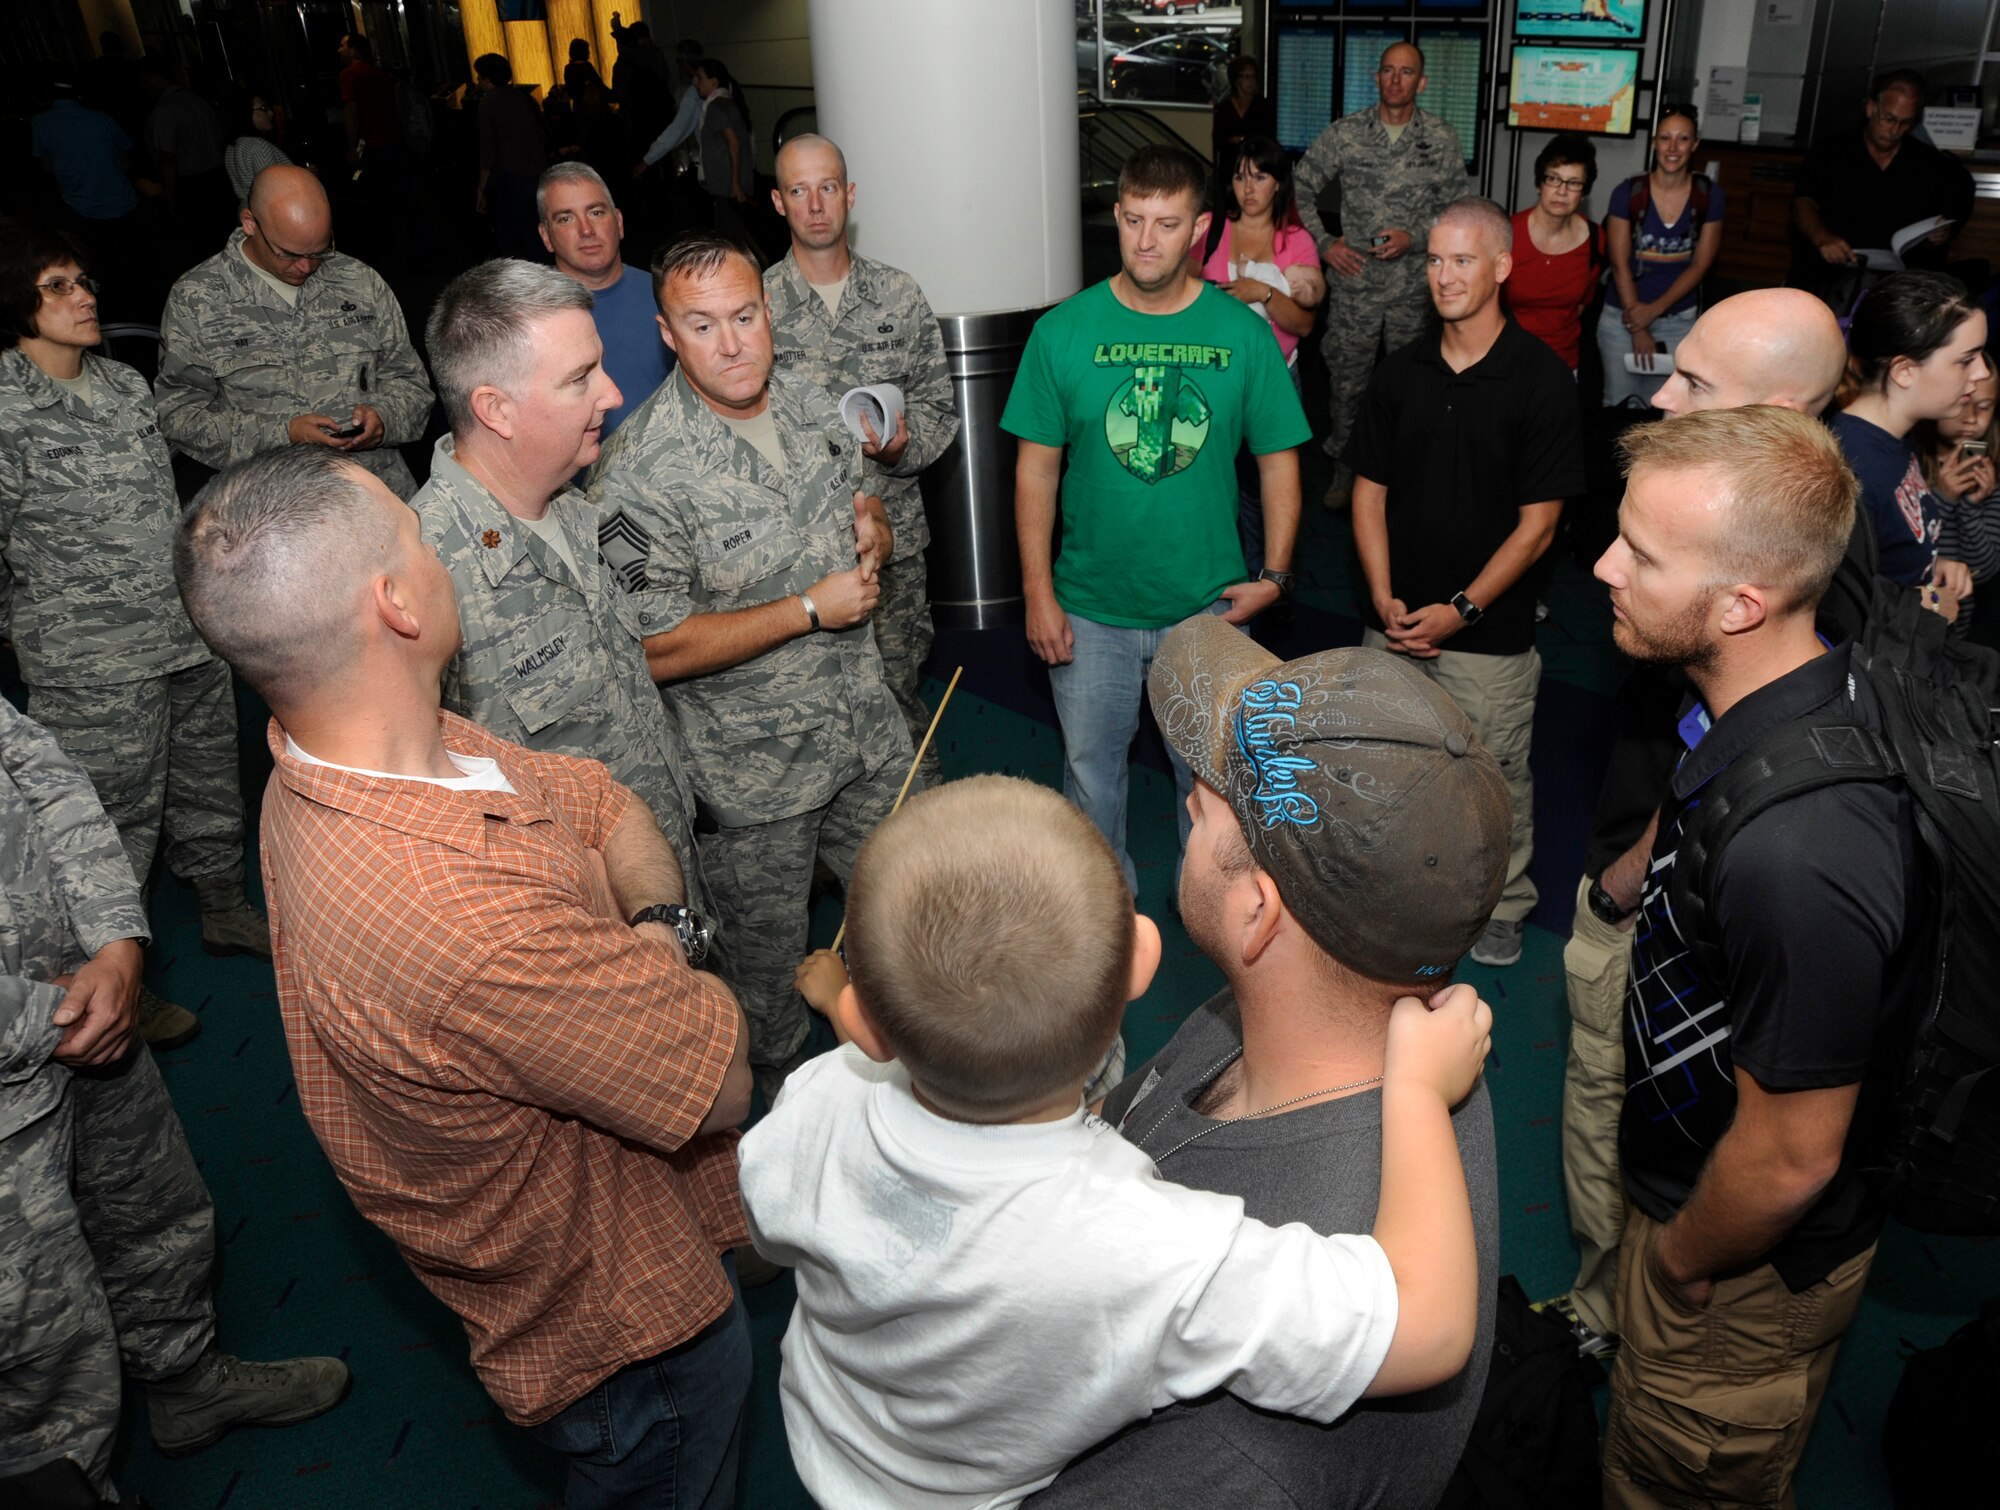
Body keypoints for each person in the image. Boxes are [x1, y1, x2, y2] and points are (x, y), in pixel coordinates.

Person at [174, 445, 755, 1508]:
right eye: (414, 532)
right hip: (627, 1333)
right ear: (394, 603)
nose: (439, 546)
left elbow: (595, 795)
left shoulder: (353, 741)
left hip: (624, 1221)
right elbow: (720, 1077)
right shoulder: (455, 916)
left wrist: (640, 932)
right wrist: (668, 941)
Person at [742, 772, 1494, 1509]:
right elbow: (1426, 1332)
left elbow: (771, 1220)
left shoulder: (822, 1093)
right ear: (1141, 957)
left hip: (826, 1433)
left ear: (866, 1027)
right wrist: (1420, 1093)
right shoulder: (1138, 1247)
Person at [1027, 616, 1509, 1509]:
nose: (1186, 809)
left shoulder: (1239, 1456)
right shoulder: (1311, 1026)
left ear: (1259, 913)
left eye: (1201, 808)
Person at [1593, 406, 1926, 1510]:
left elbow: (1787, 1158)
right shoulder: (1774, 701)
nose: (1602, 567)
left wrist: (1682, 1259)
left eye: (1640, 554)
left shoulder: (1800, 851)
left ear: (1741, 603)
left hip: (1735, 1267)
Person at [1543, 286, 1850, 1359]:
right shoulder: (1714, 523)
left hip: (1665, 919)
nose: (1660, 396)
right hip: (1658, 883)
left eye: (1695, 386)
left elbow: (1789, 1151)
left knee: (1628, 1123)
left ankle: (1617, 1315)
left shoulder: (1800, 835)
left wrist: (1627, 878)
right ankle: (1608, 1305)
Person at [0, 697, 351, 1502]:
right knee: (36, 1352)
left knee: (149, 1204)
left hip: (89, 998)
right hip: (42, 1034)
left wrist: (117, 943)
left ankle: (186, 1381)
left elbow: (40, 769)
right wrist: (38, 1016)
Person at [588, 231, 912, 1096]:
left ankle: (925, 1104)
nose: (731, 344)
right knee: (764, 999)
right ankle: (776, 1172)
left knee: (914, 929)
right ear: (666, 333)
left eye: (744, 316)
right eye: (703, 326)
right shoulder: (639, 473)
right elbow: (656, 647)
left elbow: (858, 489)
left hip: (867, 734)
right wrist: (808, 609)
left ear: (768, 311)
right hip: (754, 781)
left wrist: (872, 523)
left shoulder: (810, 403)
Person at [1004, 144, 1308, 896]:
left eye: (1166, 224)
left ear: (1200, 229)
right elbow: (1035, 469)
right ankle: (1103, 927)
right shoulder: (1062, 331)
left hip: (1204, 610)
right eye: (1133, 220)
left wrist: (1275, 573)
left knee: (1207, 785)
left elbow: (1279, 461)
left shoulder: (1240, 334)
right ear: (1116, 216)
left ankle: (1209, 915)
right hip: (1088, 608)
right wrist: (1037, 593)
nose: (1146, 241)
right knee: (1090, 781)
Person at [0, 225, 271, 1050]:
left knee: (206, 784)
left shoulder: (123, 386)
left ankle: (223, 909)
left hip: (181, 632)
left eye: (83, 281)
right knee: (109, 820)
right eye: (58, 286)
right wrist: (32, 627)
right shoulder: (6, 408)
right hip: (90, 659)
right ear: (17, 302)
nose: (84, 297)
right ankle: (115, 976)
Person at [415, 257, 710, 930]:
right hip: (577, 930)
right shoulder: (425, 576)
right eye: (581, 378)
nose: (611, 394)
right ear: (496, 410)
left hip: (665, 876)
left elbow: (650, 650)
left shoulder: (583, 511)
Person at [1347, 196, 1583, 967]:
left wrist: (1461, 610)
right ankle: (1389, 891)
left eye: (1461, 260)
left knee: (1493, 779)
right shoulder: (1399, 374)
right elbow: (1368, 494)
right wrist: (1385, 597)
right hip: (1394, 623)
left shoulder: (1540, 380)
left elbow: (1539, 526)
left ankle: (1505, 902)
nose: (1443, 276)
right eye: (1434, 260)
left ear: (1502, 268)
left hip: (1491, 639)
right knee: (1385, 767)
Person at [765, 134, 960, 790]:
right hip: (794, 557)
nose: (815, 205)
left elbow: (939, 407)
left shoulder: (898, 295)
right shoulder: (755, 308)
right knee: (809, 718)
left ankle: (922, 855)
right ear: (777, 201)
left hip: (893, 551)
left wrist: (907, 447)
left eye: (828, 188)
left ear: (849, 197)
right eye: (799, 190)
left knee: (900, 699)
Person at [155, 165, 435, 500]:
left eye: (318, 252)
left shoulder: (359, 281)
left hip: (373, 490)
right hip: (271, 501)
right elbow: (179, 413)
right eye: (288, 254)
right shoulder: (197, 299)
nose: (306, 267)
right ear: (249, 223)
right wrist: (282, 436)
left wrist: (385, 419)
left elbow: (413, 385)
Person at [1295, 42, 1467, 510]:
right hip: (1356, 287)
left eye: (1406, 72)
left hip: (1415, 289)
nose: (1395, 80)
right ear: (1376, 78)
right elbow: (1302, 185)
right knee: (1347, 383)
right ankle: (1345, 470)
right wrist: (1326, 245)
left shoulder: (1441, 138)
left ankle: (1403, 475)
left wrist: (1415, 236)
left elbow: (1454, 210)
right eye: (1388, 71)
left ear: (1421, 82)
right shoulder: (1347, 134)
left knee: (1415, 386)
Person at [1197, 134, 1324, 578]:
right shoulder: (1210, 227)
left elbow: (1304, 324)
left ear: (1278, 184)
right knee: (1212, 483)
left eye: (1259, 176)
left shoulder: (1296, 240)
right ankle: (1220, 577)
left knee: (1266, 487)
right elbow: (1181, 292)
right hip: (1215, 380)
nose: (1248, 188)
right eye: (1238, 177)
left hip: (1274, 380)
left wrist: (1262, 292)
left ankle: (1269, 580)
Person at [1831, 270, 1985, 626]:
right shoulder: (1849, 466)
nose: (1979, 373)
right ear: (1903, 371)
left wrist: (1930, 566)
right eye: (1965, 360)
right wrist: (1924, 599)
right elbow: (1839, 604)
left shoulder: (1898, 436)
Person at [1791, 69, 1974, 297]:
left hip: (1899, 281)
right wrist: (1823, 238)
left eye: (1905, 123)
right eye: (1889, 119)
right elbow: (1804, 202)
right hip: (1832, 272)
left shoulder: (1929, 163)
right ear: (1871, 108)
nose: (1895, 131)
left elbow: (1952, 206)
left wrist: (1942, 233)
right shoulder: (1831, 152)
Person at [1600, 105, 1723, 409]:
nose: (1672, 147)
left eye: (1682, 139)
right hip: (1622, 318)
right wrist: (1639, 326)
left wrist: (1653, 311)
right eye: (1665, 138)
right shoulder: (1627, 193)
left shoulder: (1709, 195)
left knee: (1671, 407)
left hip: (1677, 320)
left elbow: (1701, 264)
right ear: (1654, 142)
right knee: (1621, 405)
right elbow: (1619, 264)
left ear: (1694, 145)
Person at [539, 162, 675, 435]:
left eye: (596, 212)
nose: (586, 229)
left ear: (619, 222)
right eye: (566, 218)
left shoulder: (670, 296)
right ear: (547, 237)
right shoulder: (533, 323)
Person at [1503, 134, 1603, 373]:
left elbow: (1582, 303)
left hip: (1562, 364)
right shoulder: (1506, 232)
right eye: (1553, 179)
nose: (1562, 191)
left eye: (1573, 183)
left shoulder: (1596, 238)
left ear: (1584, 191)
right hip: (1506, 359)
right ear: (1539, 184)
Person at [1923, 360, 2000, 640]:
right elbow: (1911, 549)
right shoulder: (1915, 464)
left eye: (1984, 407)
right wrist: (1942, 496)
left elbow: (1985, 568)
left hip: (1959, 630)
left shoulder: (1993, 481)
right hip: (1912, 617)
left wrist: (1971, 506)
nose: (1971, 417)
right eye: (1962, 402)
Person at [473, 53, 551, 263]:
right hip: (537, 171)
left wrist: (481, 189)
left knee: (510, 236)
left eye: (479, 77)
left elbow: (488, 151)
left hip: (510, 176)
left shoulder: (488, 105)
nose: (478, 82)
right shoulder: (525, 97)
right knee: (536, 231)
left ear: (488, 80)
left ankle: (520, 285)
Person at [139, 57, 231, 237]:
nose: (143, 86)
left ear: (155, 77)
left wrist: (170, 196)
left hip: (194, 187)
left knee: (202, 238)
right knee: (223, 232)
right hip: (218, 178)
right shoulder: (197, 100)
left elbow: (168, 158)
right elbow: (220, 140)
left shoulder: (165, 110)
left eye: (144, 79)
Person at [691, 59, 755, 242]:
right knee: (738, 237)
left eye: (700, 77)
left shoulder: (716, 107)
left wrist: (734, 185)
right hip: (731, 185)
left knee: (732, 239)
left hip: (727, 187)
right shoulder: (729, 103)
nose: (697, 82)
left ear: (714, 82)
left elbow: (733, 143)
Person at [337, 32, 401, 179]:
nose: (339, 50)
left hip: (370, 143)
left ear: (353, 50)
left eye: (342, 46)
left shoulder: (349, 74)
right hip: (391, 139)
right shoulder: (378, 73)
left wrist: (352, 148)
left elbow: (351, 111)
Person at [1210, 55, 1276, 191]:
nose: (1250, 81)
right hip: (1230, 169)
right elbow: (1217, 139)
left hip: (1257, 168)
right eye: (1245, 76)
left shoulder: (1263, 107)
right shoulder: (1224, 107)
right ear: (1236, 80)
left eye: (1253, 76)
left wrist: (1244, 140)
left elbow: (1268, 138)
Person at [221, 87, 293, 207]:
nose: (270, 113)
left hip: (250, 211)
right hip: (271, 213)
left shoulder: (232, 146)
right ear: (245, 113)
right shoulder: (258, 145)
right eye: (263, 108)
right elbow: (273, 190)